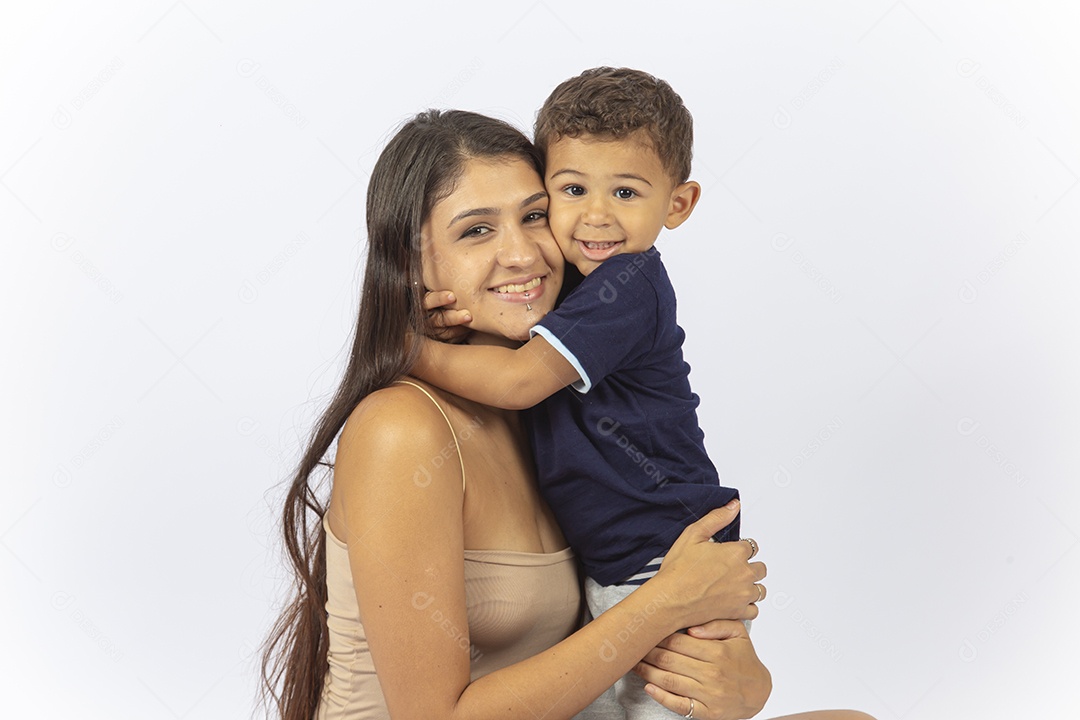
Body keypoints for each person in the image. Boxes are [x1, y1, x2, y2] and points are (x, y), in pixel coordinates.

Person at [261, 108, 874, 720]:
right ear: (413, 260)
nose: (522, 254)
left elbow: (617, 645)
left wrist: (740, 684)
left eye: (534, 216)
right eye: (476, 231)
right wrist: (669, 600)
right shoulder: (403, 429)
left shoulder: (551, 415)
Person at [411, 68, 736, 717]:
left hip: (661, 563)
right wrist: (464, 316)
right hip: (617, 573)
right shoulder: (572, 294)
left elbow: (519, 381)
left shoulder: (628, 283)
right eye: (570, 190)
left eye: (624, 191)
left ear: (678, 204)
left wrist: (409, 348)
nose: (596, 216)